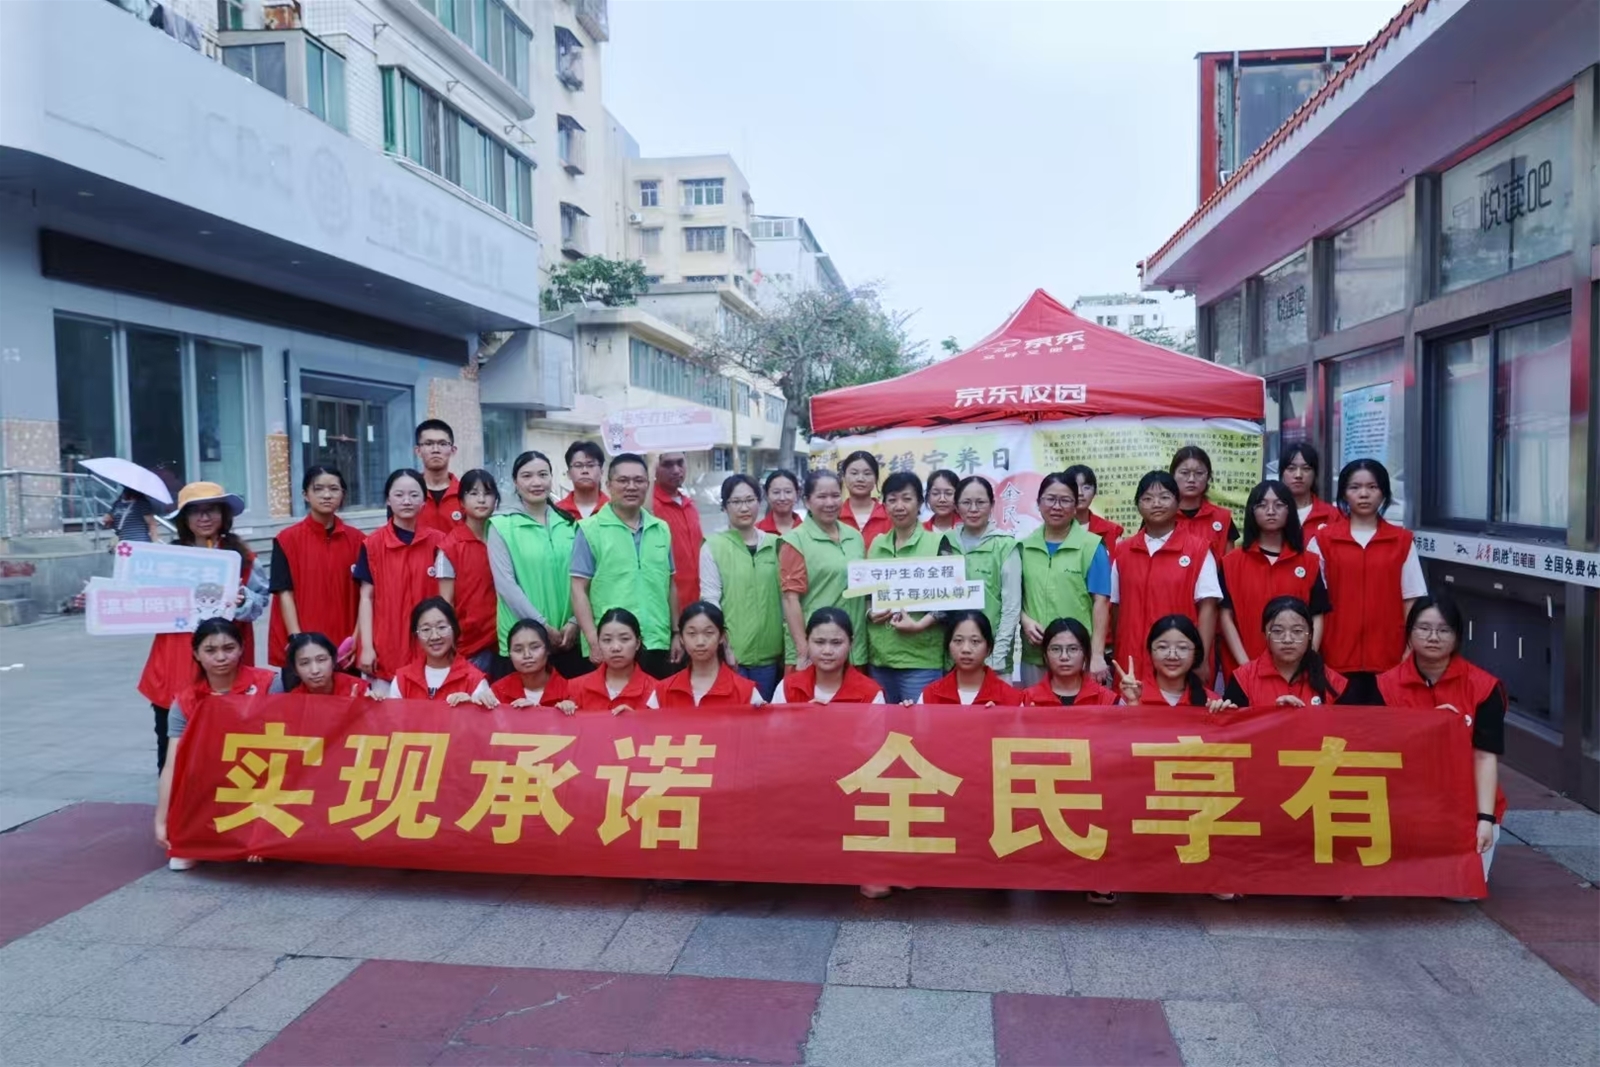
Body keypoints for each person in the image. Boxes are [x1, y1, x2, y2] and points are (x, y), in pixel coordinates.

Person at [138, 481, 269, 771]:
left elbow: (260, 601)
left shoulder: (243, 557)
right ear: (184, 519)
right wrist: (100, 601)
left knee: (226, 747)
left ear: (224, 514)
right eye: (195, 511)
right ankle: (172, 797)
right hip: (174, 661)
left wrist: (243, 599)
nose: (204, 517)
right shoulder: (166, 560)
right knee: (173, 748)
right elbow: (139, 598)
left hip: (225, 661)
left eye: (212, 510)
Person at [1376, 595, 1507, 878]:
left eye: (1444, 630)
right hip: (1407, 801)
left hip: (1463, 804)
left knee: (1462, 892)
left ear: (1458, 636)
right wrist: (1424, 727)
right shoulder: (1384, 686)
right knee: (1400, 881)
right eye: (1424, 628)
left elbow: (1485, 757)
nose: (1433, 637)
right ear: (1409, 633)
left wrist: (1485, 818)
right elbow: (1377, 752)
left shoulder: (1484, 687)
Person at [153, 618, 277, 870]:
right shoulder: (185, 701)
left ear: (242, 648)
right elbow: (172, 765)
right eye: (210, 650)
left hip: (265, 776)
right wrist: (162, 820)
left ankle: (261, 835)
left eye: (229, 648)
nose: (221, 657)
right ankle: (196, 841)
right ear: (196, 654)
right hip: (214, 780)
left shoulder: (269, 684)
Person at [1317, 458, 1425, 701]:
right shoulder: (1323, 541)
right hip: (1335, 657)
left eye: (1372, 487)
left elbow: (1412, 599)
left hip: (1389, 658)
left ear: (1384, 493)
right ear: (1343, 494)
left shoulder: (1402, 541)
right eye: (1354, 487)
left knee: (1385, 723)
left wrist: (1409, 649)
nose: (1363, 494)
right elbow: (1313, 604)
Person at [571, 454, 678, 679]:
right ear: (608, 485)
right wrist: (593, 640)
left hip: (657, 641)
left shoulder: (661, 529)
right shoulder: (590, 529)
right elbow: (578, 589)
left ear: (648, 484)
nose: (631, 486)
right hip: (611, 645)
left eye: (638, 480)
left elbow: (670, 584)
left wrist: (676, 632)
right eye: (623, 480)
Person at [1110, 471, 1221, 676]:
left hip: (1177, 660)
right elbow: (1116, 606)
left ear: (1178, 502)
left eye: (1164, 497)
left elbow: (1208, 608)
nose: (1156, 504)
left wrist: (1202, 658)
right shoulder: (1123, 551)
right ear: (1138, 505)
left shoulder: (1198, 550)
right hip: (1131, 660)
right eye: (1147, 499)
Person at [1218, 479, 1329, 677]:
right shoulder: (1231, 562)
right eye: (1262, 505)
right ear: (1252, 511)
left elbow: (1317, 615)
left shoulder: (1309, 562)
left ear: (1290, 511)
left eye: (1279, 505)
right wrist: (1246, 667)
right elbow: (1225, 616)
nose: (1271, 511)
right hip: (1244, 670)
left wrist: (1307, 659)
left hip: (1297, 671)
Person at [488, 450, 585, 679]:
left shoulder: (570, 523)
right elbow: (506, 585)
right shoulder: (501, 526)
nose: (536, 483)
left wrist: (575, 622)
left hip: (569, 639)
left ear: (552, 477)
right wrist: (541, 626)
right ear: (515, 481)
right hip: (524, 644)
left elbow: (584, 578)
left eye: (543, 475)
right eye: (527, 476)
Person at [355, 469, 451, 693]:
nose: (407, 501)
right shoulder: (372, 544)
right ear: (388, 500)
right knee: (384, 713)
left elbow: (448, 599)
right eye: (399, 495)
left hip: (430, 647)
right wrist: (366, 647)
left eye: (414, 495)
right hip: (385, 650)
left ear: (424, 501)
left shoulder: (439, 542)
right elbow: (366, 598)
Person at [1018, 473, 1110, 687]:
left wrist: (1097, 655)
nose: (1057, 506)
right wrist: (1024, 620)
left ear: (1076, 505)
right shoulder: (1023, 547)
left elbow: (1102, 602)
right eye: (1050, 499)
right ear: (1038, 503)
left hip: (1079, 657)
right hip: (1035, 655)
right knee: (1035, 708)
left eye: (1065, 500)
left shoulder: (1092, 546)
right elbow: (1013, 598)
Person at [268, 466, 363, 668]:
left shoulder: (359, 541)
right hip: (301, 643)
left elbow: (367, 595)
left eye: (334, 489)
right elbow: (284, 592)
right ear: (305, 495)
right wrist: (297, 640)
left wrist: (356, 639)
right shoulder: (286, 540)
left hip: (346, 645)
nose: (326, 495)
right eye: (318, 489)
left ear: (343, 494)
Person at [865, 471, 947, 704]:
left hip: (921, 660)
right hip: (880, 658)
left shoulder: (938, 543)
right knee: (883, 724)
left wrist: (920, 625)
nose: (899, 506)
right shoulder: (877, 544)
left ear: (920, 503)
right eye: (892, 499)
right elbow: (866, 593)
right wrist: (870, 612)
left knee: (920, 724)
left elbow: (950, 599)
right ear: (884, 505)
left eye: (907, 498)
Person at [699, 475, 783, 700]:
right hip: (733, 654)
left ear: (759, 502)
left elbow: (787, 599)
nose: (744, 508)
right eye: (736, 502)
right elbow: (710, 602)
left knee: (765, 714)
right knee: (735, 715)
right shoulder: (713, 546)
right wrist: (724, 646)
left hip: (771, 654)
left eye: (750, 500)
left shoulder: (776, 544)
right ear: (725, 506)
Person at [780, 470, 868, 671]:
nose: (830, 503)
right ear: (807, 501)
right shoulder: (795, 540)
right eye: (822, 496)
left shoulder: (855, 537)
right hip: (816, 650)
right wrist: (804, 650)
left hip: (854, 648)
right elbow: (790, 599)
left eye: (835, 495)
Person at [945, 476, 1021, 674]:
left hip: (993, 659)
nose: (973, 509)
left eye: (980, 502)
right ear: (956, 506)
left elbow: (1011, 607)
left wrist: (998, 656)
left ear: (992, 505)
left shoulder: (1005, 545)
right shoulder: (945, 542)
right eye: (966, 502)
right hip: (952, 659)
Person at [1223, 597, 1349, 707]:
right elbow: (1233, 725)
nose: (1287, 640)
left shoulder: (1333, 682)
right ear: (1265, 635)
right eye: (1278, 631)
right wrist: (1221, 714)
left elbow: (1345, 725)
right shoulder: (1243, 680)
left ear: (1310, 635)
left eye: (1297, 631)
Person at [440, 469, 500, 672]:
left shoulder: (504, 537)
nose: (481, 500)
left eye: (488, 493)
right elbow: (445, 602)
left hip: (504, 637)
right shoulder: (450, 546)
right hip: (469, 643)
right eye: (473, 493)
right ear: (461, 502)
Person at [388, 598, 496, 705]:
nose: (435, 636)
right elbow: (393, 716)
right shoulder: (402, 680)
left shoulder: (474, 681)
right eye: (426, 629)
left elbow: (484, 715)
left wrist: (470, 708)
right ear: (416, 636)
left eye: (441, 627)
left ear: (454, 629)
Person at [1114, 615, 1233, 711]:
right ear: (1150, 652)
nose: (1172, 656)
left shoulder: (1211, 701)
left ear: (1195, 653)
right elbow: (1124, 732)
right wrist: (1133, 702)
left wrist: (1227, 717)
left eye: (1182, 648)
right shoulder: (1132, 695)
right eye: (1163, 647)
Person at [658, 602, 763, 708]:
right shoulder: (662, 692)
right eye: (692, 633)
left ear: (721, 637)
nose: (700, 642)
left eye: (708, 633)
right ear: (681, 638)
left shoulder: (746, 692)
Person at [771, 607, 884, 704]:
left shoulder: (871, 694)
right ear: (807, 641)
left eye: (836, 643)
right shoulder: (788, 687)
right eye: (819, 642)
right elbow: (775, 723)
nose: (827, 651)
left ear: (851, 643)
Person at [565, 608, 661, 712]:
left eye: (624, 639)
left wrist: (636, 719)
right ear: (598, 643)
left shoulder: (656, 690)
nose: (616, 647)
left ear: (637, 643)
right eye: (607, 640)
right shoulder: (575, 687)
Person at [919, 611, 1023, 706]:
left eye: (975, 641)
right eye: (958, 641)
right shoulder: (929, 696)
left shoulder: (1012, 699)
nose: (966, 649)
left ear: (988, 648)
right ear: (948, 645)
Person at [648, 451, 703, 623]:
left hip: (698, 603)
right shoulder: (649, 507)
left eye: (680, 463)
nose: (676, 470)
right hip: (667, 608)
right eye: (667, 464)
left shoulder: (690, 505)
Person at [1021, 618, 1117, 706]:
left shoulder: (1105, 699)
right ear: (1045, 655)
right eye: (1056, 649)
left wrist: (1128, 700)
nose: (1064, 657)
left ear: (1085, 654)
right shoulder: (1027, 699)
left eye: (1073, 649)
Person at [1170, 446, 1238, 562]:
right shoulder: (1160, 515)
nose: (1191, 479)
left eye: (1199, 473)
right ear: (1173, 475)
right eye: (1184, 473)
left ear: (1208, 477)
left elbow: (1229, 565)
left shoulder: (1222, 518)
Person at [489, 618, 573, 710]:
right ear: (509, 654)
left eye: (534, 647)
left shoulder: (568, 691)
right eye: (518, 650)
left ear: (548, 649)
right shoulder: (498, 691)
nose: (527, 655)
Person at [271, 632, 364, 697]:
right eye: (304, 663)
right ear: (295, 669)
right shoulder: (293, 701)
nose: (315, 670)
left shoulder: (358, 689)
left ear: (333, 661)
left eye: (321, 660)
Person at [412, 419, 463, 536]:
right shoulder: (407, 496)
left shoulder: (465, 494)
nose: (435, 450)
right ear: (418, 451)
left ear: (453, 450)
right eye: (428, 444)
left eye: (442, 444)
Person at [1280, 442, 1338, 539]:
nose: (1298, 475)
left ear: (1315, 474)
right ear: (1282, 474)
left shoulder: (1332, 515)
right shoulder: (1272, 515)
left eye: (1306, 469)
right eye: (1291, 468)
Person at [1063, 464, 1123, 551]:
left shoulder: (1111, 531)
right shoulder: (1053, 530)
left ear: (1095, 492)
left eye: (1086, 487)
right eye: (1074, 487)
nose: (1080, 493)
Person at [838, 450, 891, 549]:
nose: (860, 479)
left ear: (876, 478)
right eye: (854, 473)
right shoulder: (835, 515)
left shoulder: (889, 514)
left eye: (867, 474)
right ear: (844, 477)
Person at [556, 440, 609, 518]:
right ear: (569, 474)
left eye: (590, 465)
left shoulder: (614, 510)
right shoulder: (557, 511)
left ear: (601, 472)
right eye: (578, 465)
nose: (585, 471)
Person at [757, 469, 802, 535]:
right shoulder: (757, 532)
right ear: (767, 495)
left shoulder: (808, 531)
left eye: (788, 492)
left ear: (797, 494)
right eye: (776, 492)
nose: (782, 498)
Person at [923, 469, 961, 534]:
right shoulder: (919, 531)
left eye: (948, 493)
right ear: (928, 497)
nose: (942, 499)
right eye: (935, 493)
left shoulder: (968, 528)